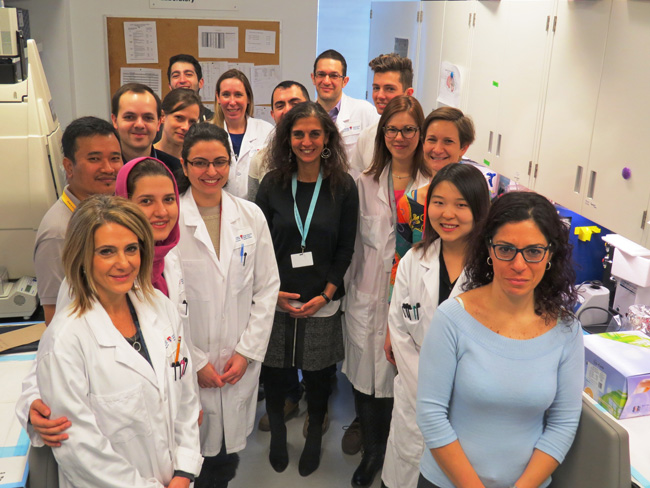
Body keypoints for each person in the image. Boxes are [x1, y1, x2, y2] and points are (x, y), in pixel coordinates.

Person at [416, 191, 584, 488]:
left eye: (533, 251)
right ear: (489, 250)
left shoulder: (566, 332)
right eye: (506, 249)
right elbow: (431, 416)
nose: (519, 265)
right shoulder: (453, 319)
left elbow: (563, 424)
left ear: (550, 255)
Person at [35, 195, 203, 488]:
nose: (123, 263)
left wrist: (185, 471)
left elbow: (185, 392)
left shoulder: (160, 308)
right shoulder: (66, 339)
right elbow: (80, 450)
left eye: (131, 249)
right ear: (82, 257)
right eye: (107, 252)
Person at [17, 116, 123, 488]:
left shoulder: (104, 210)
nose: (109, 168)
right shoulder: (58, 231)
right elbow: (54, 321)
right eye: (95, 159)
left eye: (114, 157)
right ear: (68, 166)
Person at [255, 101, 358, 477]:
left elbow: (347, 246)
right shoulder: (272, 184)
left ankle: (315, 432)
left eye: (315, 133)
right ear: (287, 138)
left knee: (317, 378)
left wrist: (327, 294)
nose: (307, 141)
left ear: (327, 137)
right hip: (277, 300)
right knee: (276, 375)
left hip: (322, 301)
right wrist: (272, 295)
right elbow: (260, 244)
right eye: (298, 134)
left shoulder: (343, 187)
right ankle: (279, 433)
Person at [176, 122, 279, 488]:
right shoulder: (170, 220)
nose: (211, 172)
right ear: (185, 165)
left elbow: (267, 289)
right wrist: (196, 361)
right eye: (200, 163)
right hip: (188, 362)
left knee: (227, 456)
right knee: (189, 455)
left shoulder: (250, 216)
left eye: (220, 162)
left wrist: (247, 351)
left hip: (238, 359)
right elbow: (163, 304)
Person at [382, 163, 490, 488]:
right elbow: (399, 332)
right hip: (414, 396)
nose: (448, 214)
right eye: (439, 202)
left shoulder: (490, 272)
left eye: (461, 204)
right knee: (404, 474)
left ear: (479, 210)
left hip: (467, 407)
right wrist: (428, 392)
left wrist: (450, 397)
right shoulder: (414, 260)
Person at [343, 95, 431, 488]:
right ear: (382, 134)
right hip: (365, 295)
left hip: (411, 300)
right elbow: (353, 245)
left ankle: (392, 454)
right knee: (363, 378)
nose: (399, 136)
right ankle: (372, 452)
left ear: (420, 133)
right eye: (391, 129)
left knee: (401, 380)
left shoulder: (432, 188)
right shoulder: (363, 182)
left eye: (408, 129)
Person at [396, 108, 475, 246]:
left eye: (448, 141)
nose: (437, 149)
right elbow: (400, 261)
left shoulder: (478, 199)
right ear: (423, 143)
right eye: (432, 140)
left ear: (463, 148)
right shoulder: (409, 204)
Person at [350, 53, 414, 178]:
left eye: (389, 89)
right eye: (376, 88)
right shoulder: (367, 136)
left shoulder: (423, 138)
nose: (380, 96)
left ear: (408, 93)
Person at [212, 69, 273, 199]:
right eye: (226, 94)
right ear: (218, 97)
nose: (232, 102)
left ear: (248, 98)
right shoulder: (207, 132)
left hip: (257, 210)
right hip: (217, 208)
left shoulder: (267, 131)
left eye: (238, 95)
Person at [247, 80, 310, 202]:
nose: (287, 110)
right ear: (273, 114)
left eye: (295, 103)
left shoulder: (322, 153)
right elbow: (255, 213)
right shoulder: (260, 159)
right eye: (280, 106)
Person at [311, 49, 378, 160]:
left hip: (353, 178)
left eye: (334, 76)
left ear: (345, 81)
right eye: (321, 74)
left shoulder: (365, 111)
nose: (326, 81)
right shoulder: (305, 115)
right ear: (313, 78)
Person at [111, 82, 181, 173]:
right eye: (129, 117)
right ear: (115, 121)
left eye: (148, 118)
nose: (139, 125)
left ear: (159, 123)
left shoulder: (177, 171)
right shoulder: (104, 170)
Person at [154, 88, 202, 161]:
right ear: (163, 116)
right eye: (179, 118)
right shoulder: (147, 157)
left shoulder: (196, 162)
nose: (185, 127)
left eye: (192, 122)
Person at [167, 53, 214, 122]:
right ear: (170, 86)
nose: (182, 80)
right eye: (176, 75)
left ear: (200, 83)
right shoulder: (160, 121)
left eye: (188, 74)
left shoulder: (213, 121)